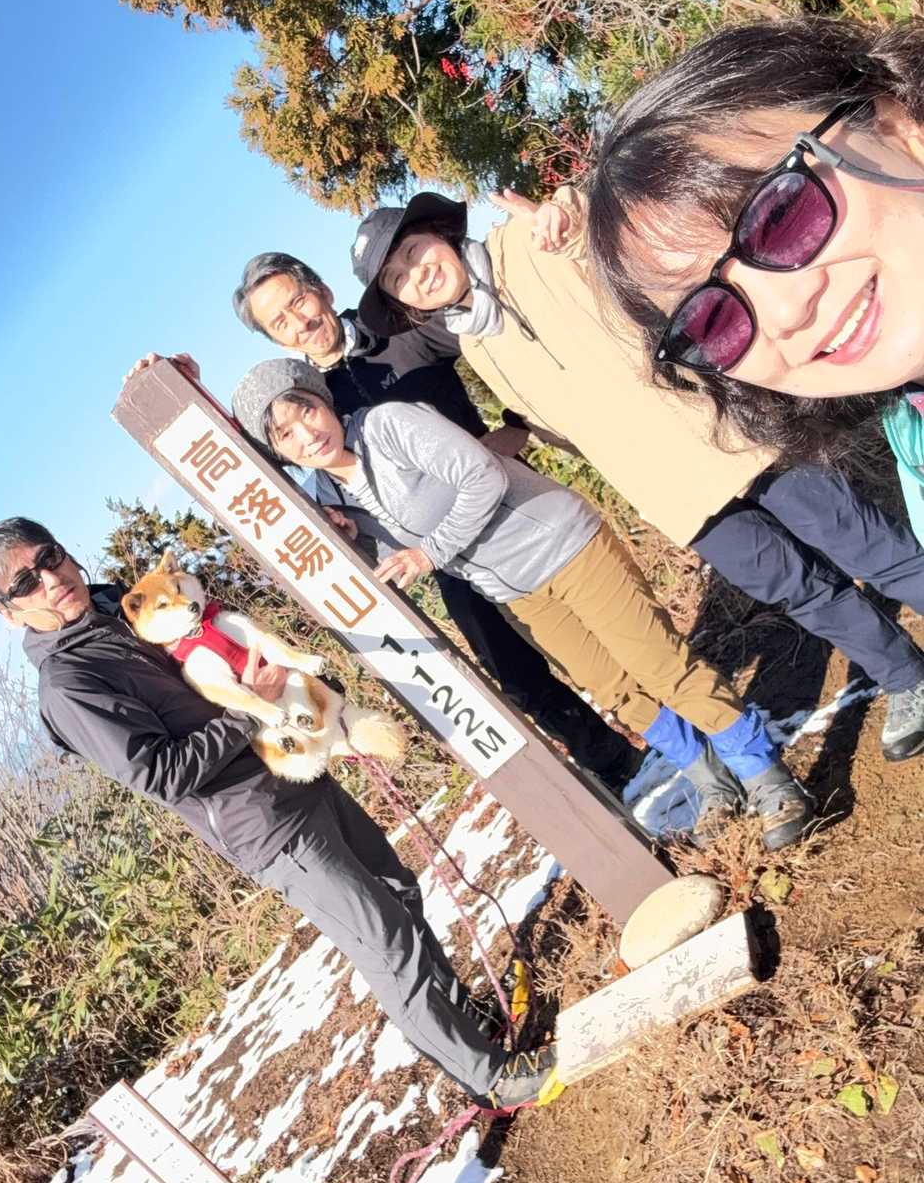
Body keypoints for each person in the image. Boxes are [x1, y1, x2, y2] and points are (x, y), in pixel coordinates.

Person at [0, 516, 565, 1111]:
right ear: (9, 613)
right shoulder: (70, 683)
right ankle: (490, 1077)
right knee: (383, 941)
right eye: (24, 583)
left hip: (293, 768)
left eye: (49, 558)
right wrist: (251, 710)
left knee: (399, 892)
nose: (49, 579)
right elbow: (159, 775)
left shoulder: (124, 610)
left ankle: (463, 1023)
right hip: (264, 824)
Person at [350, 182, 924, 765]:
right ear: (404, 305)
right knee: (799, 589)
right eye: (397, 279)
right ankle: (906, 677)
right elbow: (550, 425)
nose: (416, 274)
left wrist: (571, 216)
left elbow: (609, 243)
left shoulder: (529, 242)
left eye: (413, 252)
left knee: (865, 542)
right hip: (672, 490)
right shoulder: (475, 347)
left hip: (727, 429)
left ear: (440, 234)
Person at [231, 360, 816, 853]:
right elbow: (395, 561)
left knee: (660, 666)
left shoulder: (388, 426)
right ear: (281, 453)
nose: (307, 434)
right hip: (516, 592)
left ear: (324, 402)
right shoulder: (333, 495)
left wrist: (430, 553)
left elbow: (482, 475)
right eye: (285, 434)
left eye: (306, 411)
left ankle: (764, 773)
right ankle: (711, 780)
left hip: (564, 543)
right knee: (614, 689)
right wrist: (356, 540)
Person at [584, 16, 924, 762]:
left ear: (898, 119)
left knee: (877, 550)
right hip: (684, 492)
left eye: (781, 214)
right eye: (711, 319)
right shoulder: (913, 439)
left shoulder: (534, 252)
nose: (785, 311)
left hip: (752, 463)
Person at [223, 252, 642, 788]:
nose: (299, 322)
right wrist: (176, 384)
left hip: (515, 515)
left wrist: (517, 424)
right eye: (279, 321)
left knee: (606, 629)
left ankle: (669, 718)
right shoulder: (304, 405)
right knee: (515, 671)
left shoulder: (399, 327)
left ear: (322, 290)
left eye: (298, 301)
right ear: (276, 341)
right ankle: (618, 764)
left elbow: (495, 339)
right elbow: (252, 449)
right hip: (443, 558)